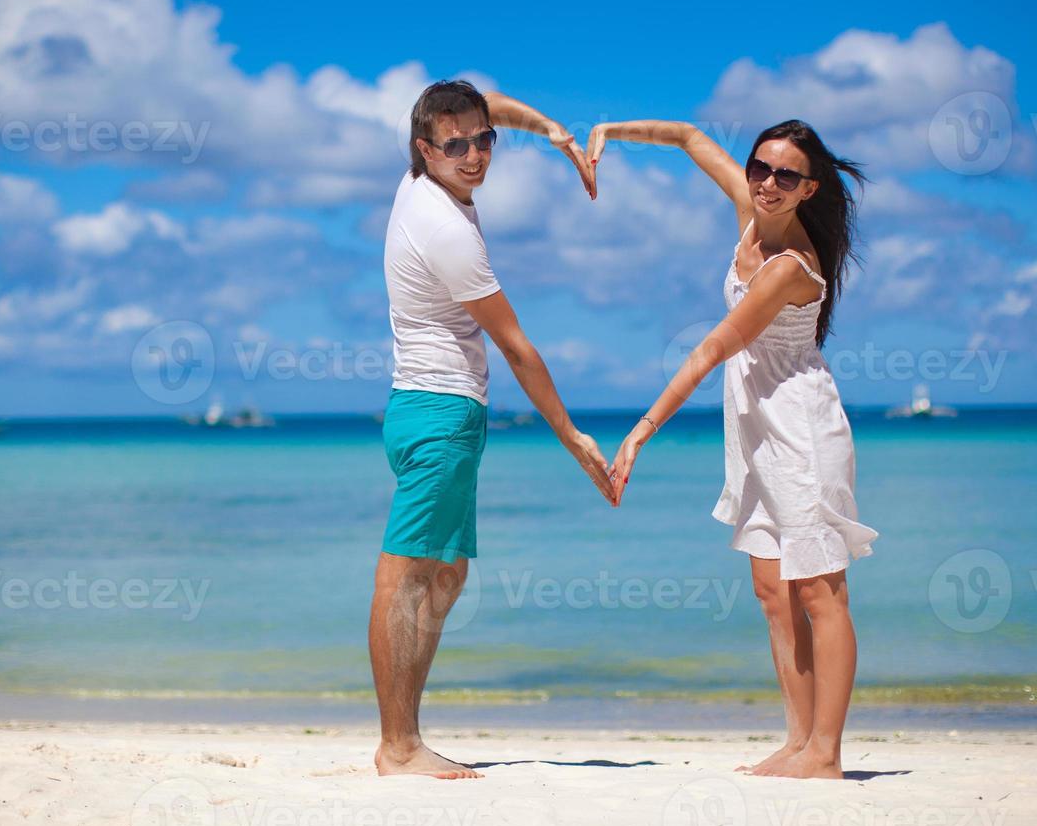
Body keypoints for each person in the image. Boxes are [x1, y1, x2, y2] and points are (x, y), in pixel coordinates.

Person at [590, 118, 878, 780]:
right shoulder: (752, 212)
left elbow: (718, 344)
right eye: (760, 168)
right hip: (754, 429)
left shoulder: (789, 267)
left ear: (810, 190)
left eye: (786, 176)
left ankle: (826, 754)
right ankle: (798, 741)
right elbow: (691, 139)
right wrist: (612, 131)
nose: (767, 183)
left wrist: (642, 428)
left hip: (802, 428)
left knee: (819, 590)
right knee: (773, 592)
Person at [370, 80, 615, 779]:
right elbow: (517, 347)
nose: (475, 156)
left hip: (437, 411)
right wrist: (572, 437)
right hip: (440, 412)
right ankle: (398, 746)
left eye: (484, 141)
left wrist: (552, 132)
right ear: (425, 150)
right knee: (407, 577)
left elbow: (489, 99)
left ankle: (405, 736)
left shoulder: (416, 184)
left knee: (445, 575)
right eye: (456, 146)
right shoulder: (446, 230)